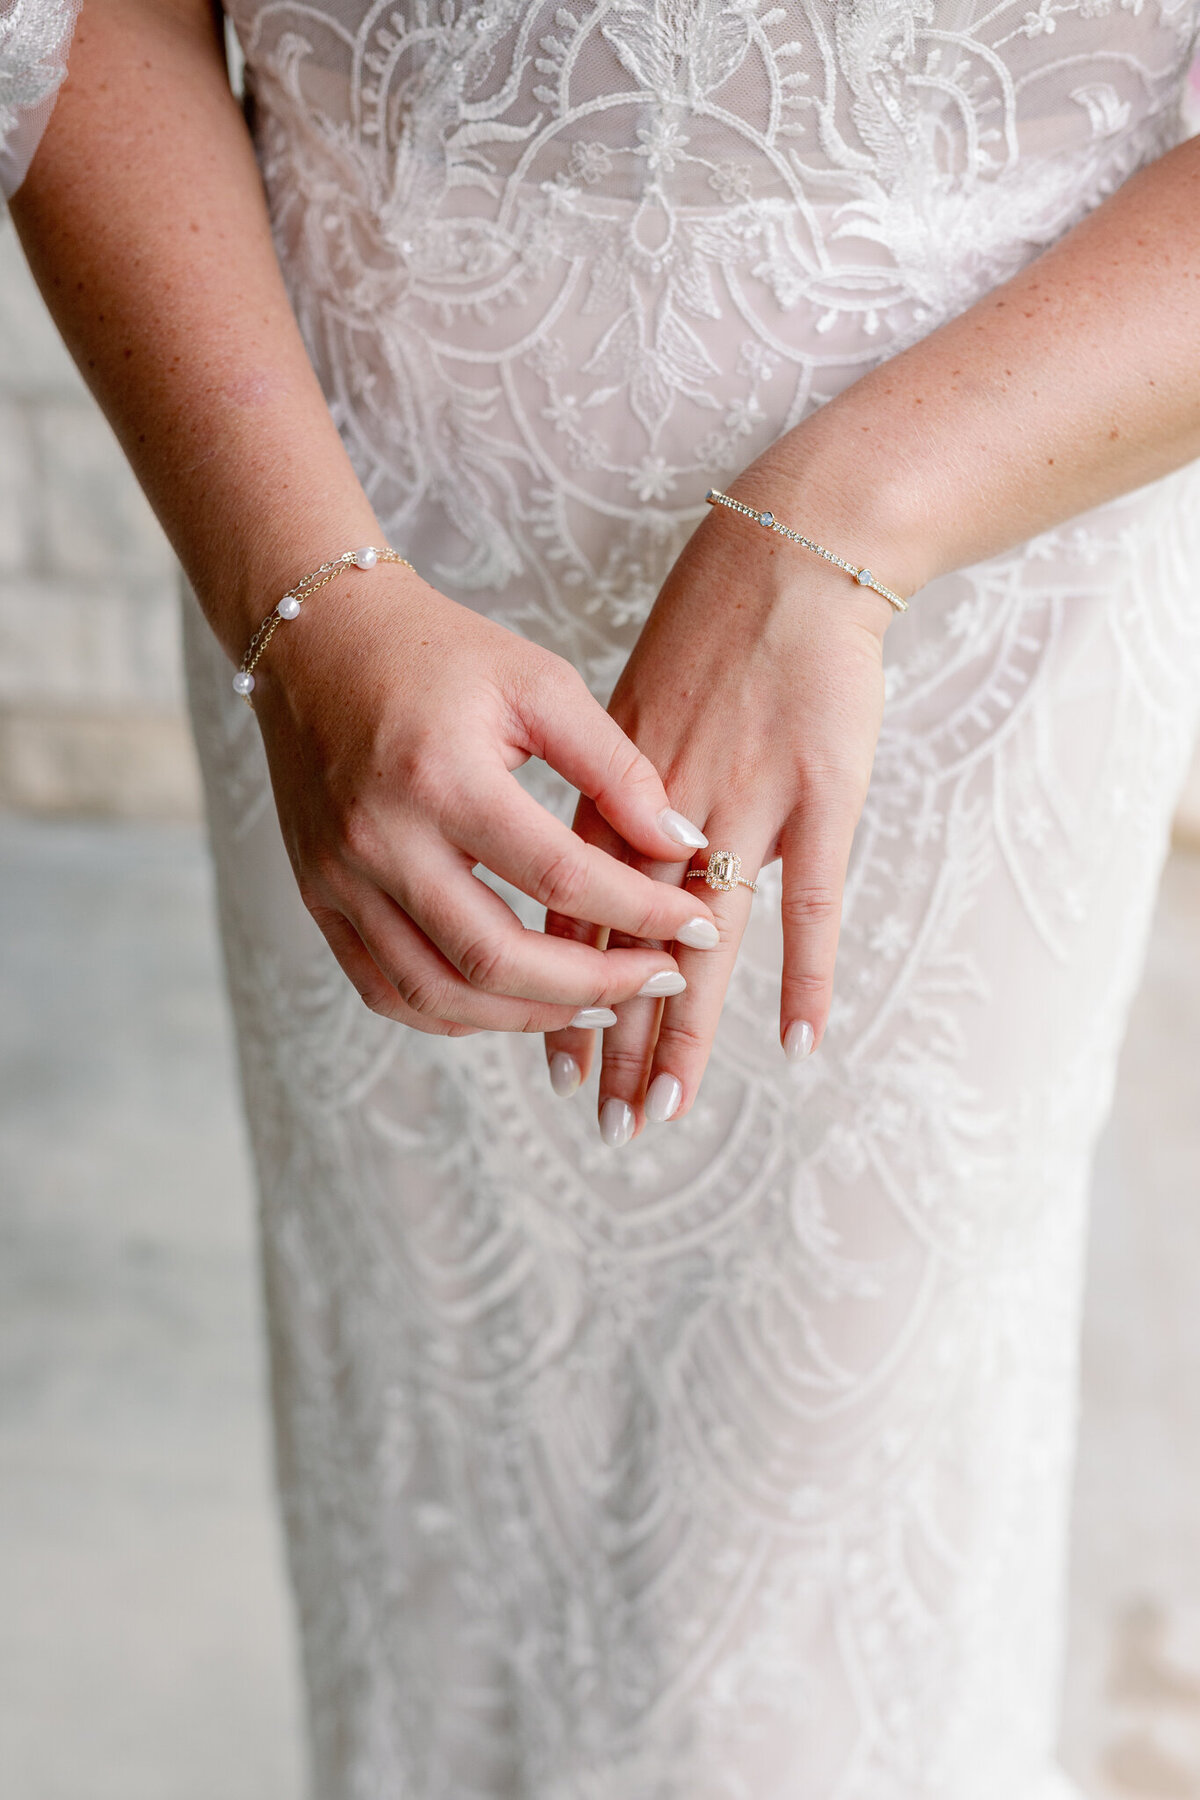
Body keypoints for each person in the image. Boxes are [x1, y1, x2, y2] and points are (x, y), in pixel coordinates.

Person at [7, 0, 1200, 1792]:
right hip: (351, 562)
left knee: (823, 1533)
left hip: (973, 603)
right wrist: (308, 595)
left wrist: (854, 517)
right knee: (437, 1468)